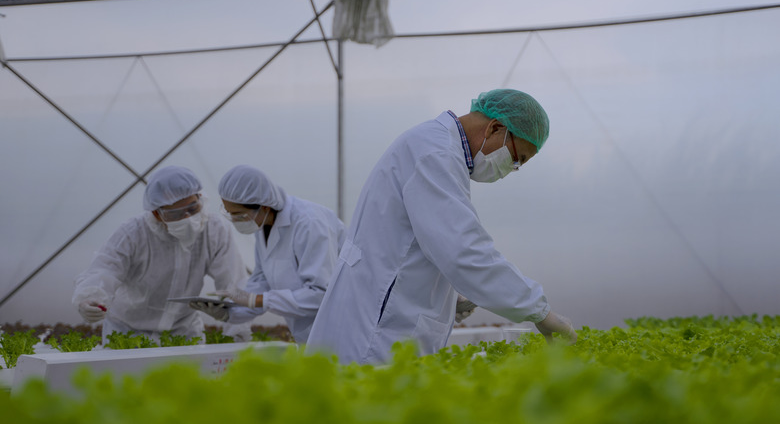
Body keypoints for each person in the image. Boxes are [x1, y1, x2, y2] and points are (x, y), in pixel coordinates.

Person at [306, 89, 577, 364]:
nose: (512, 169)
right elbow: (463, 251)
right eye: (518, 158)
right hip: (374, 337)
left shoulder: (437, 148)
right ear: (496, 128)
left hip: (378, 319)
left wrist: (449, 298)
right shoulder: (434, 153)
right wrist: (540, 312)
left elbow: (415, 245)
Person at [72, 166, 247, 343]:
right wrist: (91, 297)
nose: (188, 218)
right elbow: (105, 269)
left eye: (193, 208)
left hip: (184, 333)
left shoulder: (215, 230)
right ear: (156, 213)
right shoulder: (132, 233)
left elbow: (233, 282)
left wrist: (238, 331)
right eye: (176, 214)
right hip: (127, 332)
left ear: (201, 198)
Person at [189, 165, 346, 344]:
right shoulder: (262, 226)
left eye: (239, 215)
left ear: (264, 207)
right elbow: (262, 283)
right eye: (229, 214)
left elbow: (321, 294)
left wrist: (258, 300)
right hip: (310, 335)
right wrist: (229, 313)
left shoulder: (309, 223)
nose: (235, 221)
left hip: (343, 329)